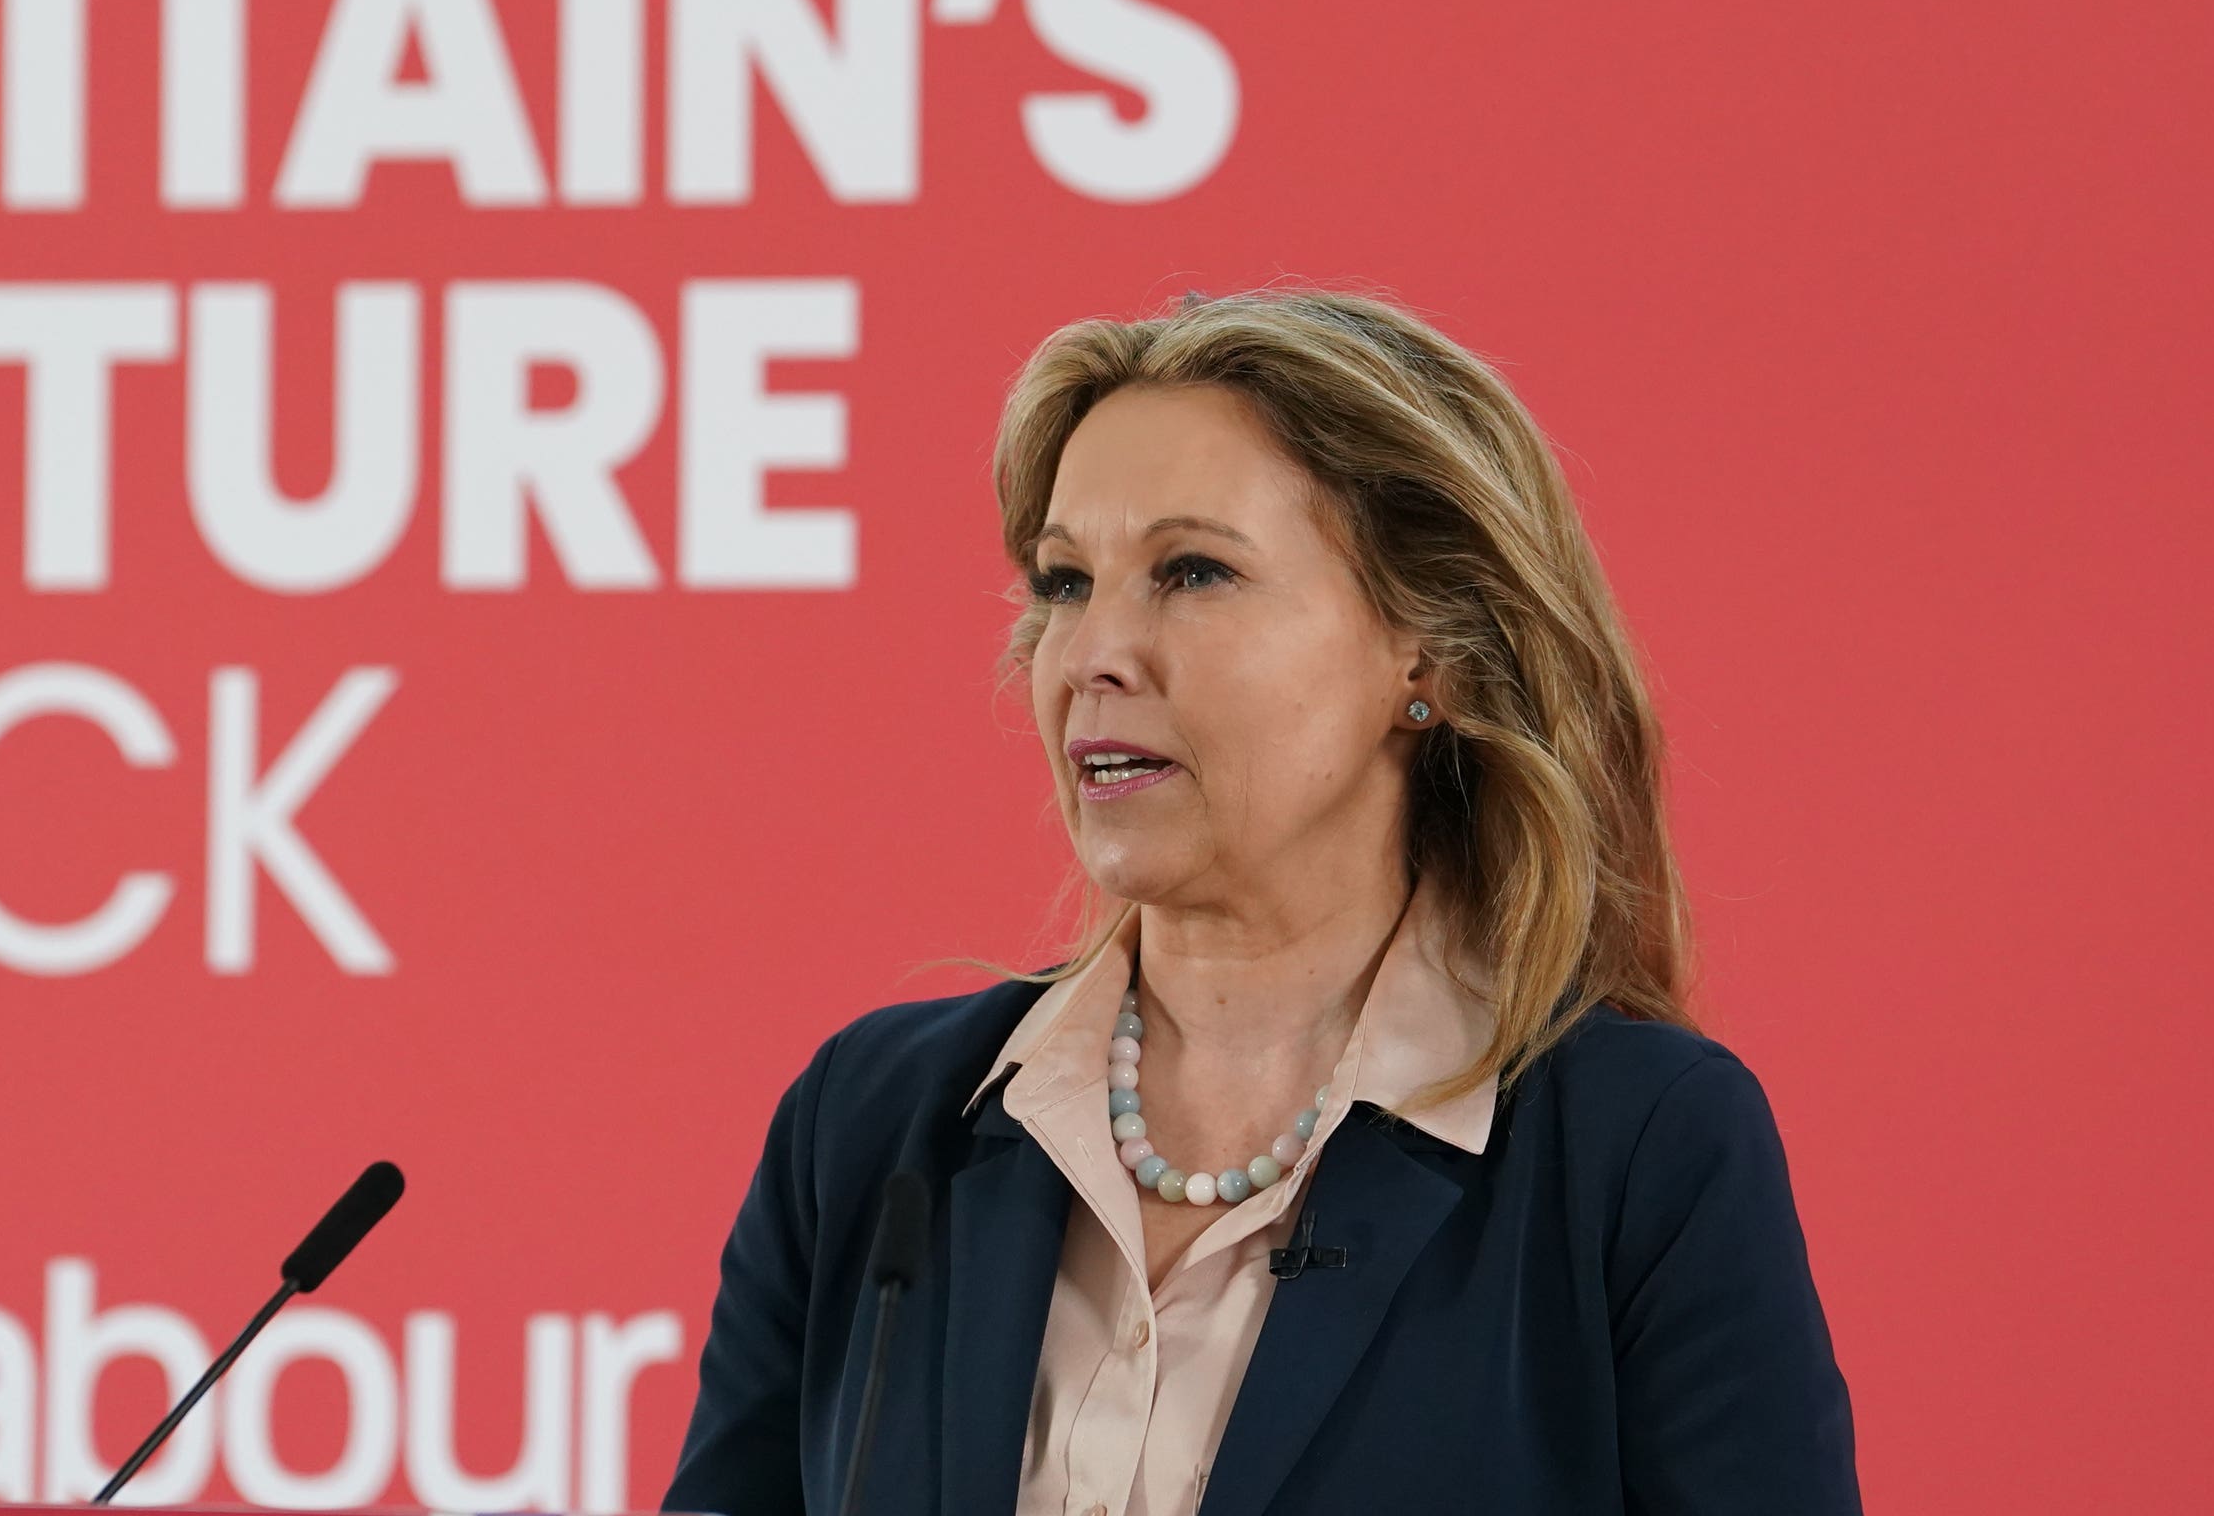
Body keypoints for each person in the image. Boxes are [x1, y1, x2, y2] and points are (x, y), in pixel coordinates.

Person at [665, 289, 1859, 1516]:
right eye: (1065, 582)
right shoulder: (867, 1126)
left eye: (1192, 570)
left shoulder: (1639, 1150)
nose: (1090, 656)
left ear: (1429, 653)